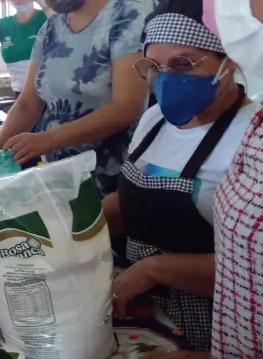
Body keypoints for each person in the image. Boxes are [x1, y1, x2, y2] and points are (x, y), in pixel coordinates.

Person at [104, 0, 260, 351]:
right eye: (154, 67)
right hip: (144, 310)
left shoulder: (250, 137)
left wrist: (154, 269)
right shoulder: (154, 120)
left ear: (230, 60)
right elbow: (138, 204)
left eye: (183, 64)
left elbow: (253, 272)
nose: (166, 79)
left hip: (213, 329)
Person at [0, 0, 154, 196]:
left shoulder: (129, 15)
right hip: (61, 179)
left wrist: (49, 139)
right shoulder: (52, 28)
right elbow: (28, 103)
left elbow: (127, 107)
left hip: (111, 180)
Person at [0, 0, 48, 97]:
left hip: (47, 94)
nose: (19, 2)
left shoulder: (45, 17)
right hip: (20, 94)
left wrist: (42, 3)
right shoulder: (3, 24)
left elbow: (62, 26)